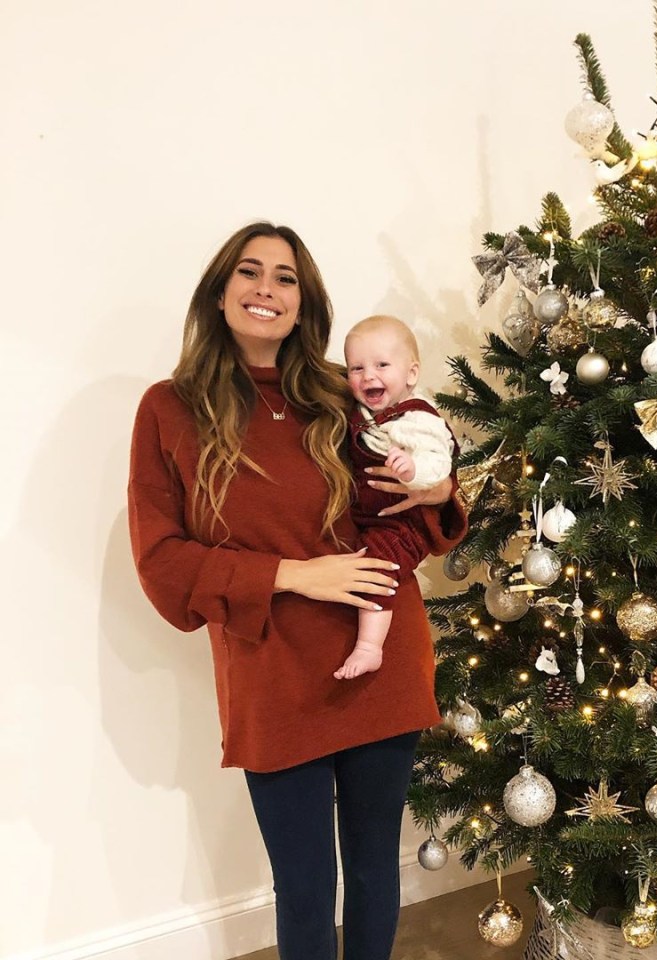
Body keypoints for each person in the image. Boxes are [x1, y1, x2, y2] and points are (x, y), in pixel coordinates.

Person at [127, 222, 466, 960]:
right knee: (305, 885)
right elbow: (162, 562)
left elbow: (424, 495)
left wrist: (437, 486)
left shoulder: (343, 394)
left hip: (381, 658)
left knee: (377, 868)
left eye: (286, 278)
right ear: (220, 294)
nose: (267, 289)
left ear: (304, 302)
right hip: (272, 673)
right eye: (250, 273)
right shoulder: (169, 408)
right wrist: (295, 574)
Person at [335, 315, 456, 680]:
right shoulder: (364, 413)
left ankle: (370, 647)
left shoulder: (419, 420)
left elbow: (440, 462)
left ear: (411, 373)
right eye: (357, 368)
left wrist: (412, 470)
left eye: (382, 365)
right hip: (370, 515)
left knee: (376, 568)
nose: (368, 376)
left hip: (403, 522)